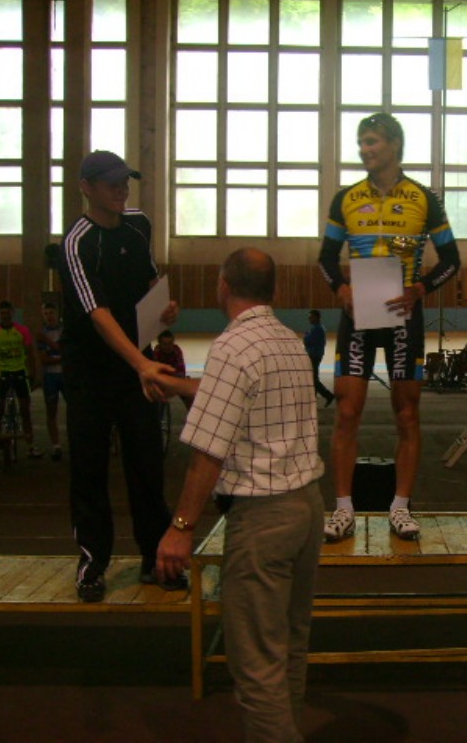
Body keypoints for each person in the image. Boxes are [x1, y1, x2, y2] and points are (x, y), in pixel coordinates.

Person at [155, 248, 324, 743]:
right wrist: (174, 384)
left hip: (263, 520)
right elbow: (234, 394)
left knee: (256, 666)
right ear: (273, 290)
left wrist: (181, 528)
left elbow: (209, 449)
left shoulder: (231, 347)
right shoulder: (289, 342)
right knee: (289, 647)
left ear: (223, 286)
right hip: (306, 509)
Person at [317, 112, 460, 542]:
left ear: (394, 144)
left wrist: (420, 289)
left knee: (408, 414)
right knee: (346, 413)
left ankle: (400, 507)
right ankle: (343, 509)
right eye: (361, 142)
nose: (364, 149)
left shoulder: (424, 198)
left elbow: (452, 260)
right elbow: (326, 258)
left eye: (372, 141)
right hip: (357, 316)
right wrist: (340, 288)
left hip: (404, 317)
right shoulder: (346, 198)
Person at [58, 149, 181, 603]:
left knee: (146, 463)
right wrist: (141, 363)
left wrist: (162, 311)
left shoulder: (138, 225)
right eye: (111, 183)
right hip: (90, 373)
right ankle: (93, 561)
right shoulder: (77, 243)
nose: (121, 190)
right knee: (89, 468)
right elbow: (97, 313)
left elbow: (148, 282)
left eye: (125, 182)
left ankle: (155, 557)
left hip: (135, 368)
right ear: (86, 188)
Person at [0, 300, 43, 459]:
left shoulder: (23, 331)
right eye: (2, 313)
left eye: (8, 313)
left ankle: (31, 445)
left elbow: (29, 353)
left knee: (25, 411)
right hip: (2, 373)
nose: (5, 316)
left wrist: (33, 375)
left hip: (20, 372)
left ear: (13, 313)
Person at [36, 301, 65, 460]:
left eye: (51, 313)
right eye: (46, 314)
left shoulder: (64, 331)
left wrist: (49, 344)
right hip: (50, 376)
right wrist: (60, 357)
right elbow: (44, 360)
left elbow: (65, 352)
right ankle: (56, 445)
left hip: (65, 375)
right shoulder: (41, 334)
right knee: (51, 410)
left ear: (57, 314)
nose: (49, 316)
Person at [153, 330, 192, 410]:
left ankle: (192, 413)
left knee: (189, 393)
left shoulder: (176, 351)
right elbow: (156, 373)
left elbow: (181, 371)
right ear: (160, 344)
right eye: (165, 344)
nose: (168, 347)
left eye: (170, 343)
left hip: (175, 380)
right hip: (162, 382)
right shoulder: (156, 353)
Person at [303, 309, 335, 407]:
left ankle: (328, 395)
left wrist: (306, 336)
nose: (309, 319)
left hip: (314, 355)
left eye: (311, 317)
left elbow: (307, 341)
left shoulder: (317, 329)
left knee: (313, 379)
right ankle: (314, 397)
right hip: (316, 355)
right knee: (313, 378)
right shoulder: (318, 328)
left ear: (316, 318)